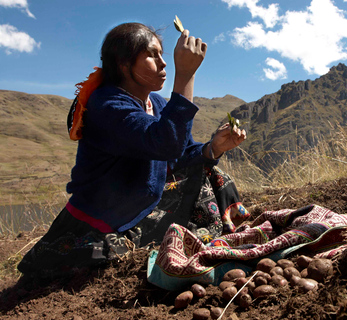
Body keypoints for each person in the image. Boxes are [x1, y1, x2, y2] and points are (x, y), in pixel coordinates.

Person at [17, 22, 247, 277]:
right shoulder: (106, 105)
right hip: (103, 221)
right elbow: (164, 142)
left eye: (162, 54)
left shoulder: (156, 103)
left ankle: (218, 237)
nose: (163, 63)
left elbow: (179, 153)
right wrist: (186, 75)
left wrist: (213, 148)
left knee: (213, 175)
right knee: (102, 257)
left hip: (141, 205)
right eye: (152, 54)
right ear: (124, 64)